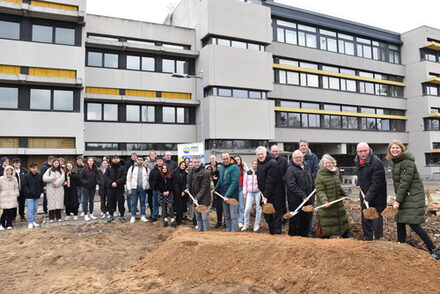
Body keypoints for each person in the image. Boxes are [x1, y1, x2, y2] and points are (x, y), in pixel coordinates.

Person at [386, 140, 440, 260]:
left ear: (402, 149)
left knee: (413, 223)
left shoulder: (407, 162)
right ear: (389, 150)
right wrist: (399, 198)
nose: (394, 150)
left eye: (397, 148)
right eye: (392, 148)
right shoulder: (395, 162)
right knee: (400, 221)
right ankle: (401, 247)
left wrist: (398, 200)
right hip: (405, 196)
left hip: (412, 196)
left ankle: (434, 249)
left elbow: (405, 182)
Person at [355, 142, 387, 241]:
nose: (363, 153)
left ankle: (378, 240)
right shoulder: (357, 160)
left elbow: (377, 183)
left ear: (369, 150)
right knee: (365, 218)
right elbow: (361, 175)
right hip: (365, 194)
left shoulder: (376, 162)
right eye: (360, 151)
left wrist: (368, 198)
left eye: (365, 151)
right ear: (357, 152)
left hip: (377, 196)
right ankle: (367, 240)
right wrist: (358, 183)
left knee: (376, 219)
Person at [315, 154, 350, 238]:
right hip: (327, 205)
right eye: (325, 163)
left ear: (333, 163)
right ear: (323, 164)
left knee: (341, 220)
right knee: (327, 223)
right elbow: (320, 190)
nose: (328, 164)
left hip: (337, 203)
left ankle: (344, 237)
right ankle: (324, 239)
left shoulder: (335, 173)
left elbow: (338, 186)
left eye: (329, 162)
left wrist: (345, 194)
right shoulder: (320, 176)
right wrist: (325, 201)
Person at [285, 150, 314, 237]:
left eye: (300, 157)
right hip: (295, 200)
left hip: (308, 198)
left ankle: (304, 236)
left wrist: (313, 188)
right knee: (295, 220)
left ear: (303, 158)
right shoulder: (290, 169)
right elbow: (291, 185)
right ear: (293, 158)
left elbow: (311, 180)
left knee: (306, 219)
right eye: (296, 157)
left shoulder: (307, 166)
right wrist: (303, 195)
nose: (298, 159)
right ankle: (293, 236)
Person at [256, 146, 284, 235]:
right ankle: (272, 235)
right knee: (268, 216)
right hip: (265, 194)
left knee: (275, 216)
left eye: (262, 154)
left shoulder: (272, 163)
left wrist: (265, 196)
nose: (260, 156)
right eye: (258, 154)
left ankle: (277, 235)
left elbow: (270, 181)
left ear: (266, 153)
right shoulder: (260, 163)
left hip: (275, 195)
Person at [215, 152, 240, 232]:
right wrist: (215, 189)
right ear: (221, 159)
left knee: (233, 215)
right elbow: (220, 180)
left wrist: (227, 195)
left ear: (230, 158)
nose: (225, 160)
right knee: (226, 215)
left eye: (227, 159)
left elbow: (234, 182)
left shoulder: (235, 167)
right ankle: (229, 230)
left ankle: (234, 231)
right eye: (224, 159)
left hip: (232, 195)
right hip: (223, 194)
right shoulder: (222, 167)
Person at [186, 156, 211, 232]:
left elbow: (204, 187)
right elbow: (189, 184)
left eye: (198, 162)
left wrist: (197, 197)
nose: (196, 164)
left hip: (204, 199)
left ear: (200, 162)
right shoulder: (190, 172)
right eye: (195, 162)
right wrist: (188, 189)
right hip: (194, 198)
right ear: (192, 163)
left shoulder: (205, 173)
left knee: (204, 218)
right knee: (198, 218)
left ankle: (206, 234)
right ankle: (200, 232)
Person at [126, 156, 150, 223]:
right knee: (133, 203)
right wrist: (129, 188)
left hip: (143, 189)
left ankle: (143, 216)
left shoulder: (146, 169)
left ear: (143, 161)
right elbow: (128, 179)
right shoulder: (132, 168)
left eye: (141, 160)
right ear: (136, 160)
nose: (139, 161)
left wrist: (147, 187)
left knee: (143, 203)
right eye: (138, 160)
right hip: (134, 188)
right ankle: (133, 216)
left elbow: (148, 179)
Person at [22, 162, 44, 229]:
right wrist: (29, 192)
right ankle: (30, 222)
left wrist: (40, 191)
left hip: (37, 196)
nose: (35, 169)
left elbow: (41, 184)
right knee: (30, 210)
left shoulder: (39, 175)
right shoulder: (26, 176)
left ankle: (34, 221)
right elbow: (24, 186)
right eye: (33, 168)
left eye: (36, 168)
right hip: (29, 196)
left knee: (35, 209)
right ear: (30, 168)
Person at [270, 145, 288, 222]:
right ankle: (274, 220)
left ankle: (284, 219)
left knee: (282, 203)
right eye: (273, 151)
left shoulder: (284, 160)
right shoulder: (268, 160)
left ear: (279, 152)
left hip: (281, 185)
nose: (275, 153)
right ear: (270, 152)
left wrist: (283, 180)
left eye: (276, 151)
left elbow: (287, 172)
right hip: (271, 186)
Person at [242, 160, 262, 232]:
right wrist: (245, 193)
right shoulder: (247, 172)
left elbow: (262, 183)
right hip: (250, 193)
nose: (254, 165)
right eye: (253, 164)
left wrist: (262, 194)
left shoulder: (260, 172)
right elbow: (245, 184)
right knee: (247, 209)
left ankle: (256, 225)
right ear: (251, 164)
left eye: (256, 164)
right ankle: (246, 224)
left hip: (258, 192)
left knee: (258, 209)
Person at [106, 155, 127, 223]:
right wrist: (111, 183)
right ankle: (111, 215)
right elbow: (106, 177)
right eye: (114, 159)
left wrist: (116, 183)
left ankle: (122, 216)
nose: (115, 160)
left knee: (121, 202)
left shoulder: (122, 168)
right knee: (110, 202)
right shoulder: (109, 168)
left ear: (119, 160)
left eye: (117, 158)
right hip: (110, 188)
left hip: (119, 188)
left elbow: (124, 178)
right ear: (112, 160)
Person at [0, 165, 19, 230]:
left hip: (12, 197)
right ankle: (2, 224)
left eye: (10, 170)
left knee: (11, 211)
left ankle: (9, 224)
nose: (9, 171)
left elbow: (16, 187)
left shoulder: (14, 179)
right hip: (4, 197)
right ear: (5, 171)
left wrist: (16, 193)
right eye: (8, 170)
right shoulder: (1, 178)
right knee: (5, 211)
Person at [148, 158, 164, 222]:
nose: (159, 162)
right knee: (155, 203)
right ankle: (154, 216)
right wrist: (152, 186)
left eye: (161, 161)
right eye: (158, 161)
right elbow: (150, 179)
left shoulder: (165, 169)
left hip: (163, 190)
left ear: (162, 162)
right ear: (156, 162)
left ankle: (164, 216)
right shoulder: (153, 170)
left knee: (163, 203)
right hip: (155, 189)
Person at [13, 158, 27, 222]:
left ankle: (22, 216)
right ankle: (13, 217)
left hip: (22, 191)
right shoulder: (11, 171)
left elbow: (27, 180)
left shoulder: (24, 170)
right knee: (14, 204)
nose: (17, 164)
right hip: (14, 191)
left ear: (20, 163)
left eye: (18, 163)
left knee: (22, 204)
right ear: (13, 164)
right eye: (15, 163)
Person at [173, 161, 188, 225]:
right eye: (182, 164)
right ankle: (176, 220)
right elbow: (173, 181)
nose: (183, 166)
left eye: (184, 165)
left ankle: (180, 219)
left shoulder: (185, 173)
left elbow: (184, 183)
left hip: (182, 192)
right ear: (179, 165)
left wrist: (183, 191)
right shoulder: (175, 172)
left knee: (181, 206)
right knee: (176, 206)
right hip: (175, 191)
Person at [234, 155, 246, 228]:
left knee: (241, 206)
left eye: (238, 160)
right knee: (235, 206)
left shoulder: (244, 168)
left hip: (242, 188)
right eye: (235, 160)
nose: (237, 161)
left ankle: (240, 221)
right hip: (235, 189)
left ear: (240, 160)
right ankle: (235, 221)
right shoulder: (232, 168)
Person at [145, 151, 157, 218]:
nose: (152, 155)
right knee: (150, 200)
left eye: (153, 154)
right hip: (149, 184)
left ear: (155, 155)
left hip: (157, 184)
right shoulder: (146, 163)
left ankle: (157, 213)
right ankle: (152, 213)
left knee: (157, 200)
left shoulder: (158, 162)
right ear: (149, 155)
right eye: (151, 154)